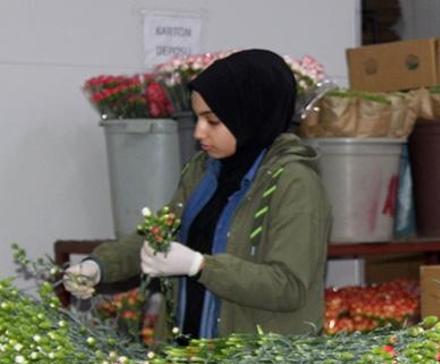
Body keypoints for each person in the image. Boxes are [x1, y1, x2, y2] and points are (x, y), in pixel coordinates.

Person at [63, 49, 331, 340]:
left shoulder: (295, 184)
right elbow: (158, 238)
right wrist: (99, 266)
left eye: (212, 121)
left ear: (249, 116)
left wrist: (200, 266)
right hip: (188, 358)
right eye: (198, 119)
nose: (199, 133)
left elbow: (287, 287)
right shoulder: (204, 172)